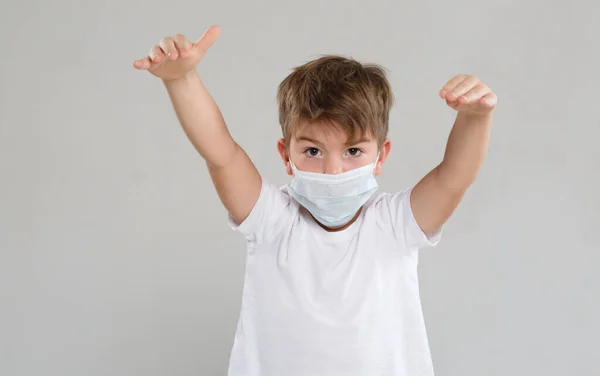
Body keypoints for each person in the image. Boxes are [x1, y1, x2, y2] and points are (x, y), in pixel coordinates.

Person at [133, 25, 498, 376]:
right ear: (286, 155)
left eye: (353, 150)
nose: (333, 170)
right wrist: (181, 80)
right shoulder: (272, 220)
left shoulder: (394, 225)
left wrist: (476, 117)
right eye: (312, 150)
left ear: (381, 156)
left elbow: (453, 179)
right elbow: (221, 154)